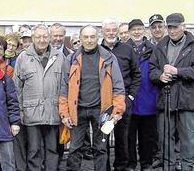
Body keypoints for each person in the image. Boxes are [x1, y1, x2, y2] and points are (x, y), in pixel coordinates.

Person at [59, 25, 126, 171]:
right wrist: (64, 113)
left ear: (98, 37)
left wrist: (117, 111)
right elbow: (64, 88)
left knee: (101, 149)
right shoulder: (71, 59)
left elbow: (118, 86)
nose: (89, 40)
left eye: (92, 37)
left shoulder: (109, 58)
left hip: (102, 111)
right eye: (86, 37)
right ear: (80, 39)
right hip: (77, 111)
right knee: (74, 149)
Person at [149, 13, 194, 170]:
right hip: (166, 99)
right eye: (169, 27)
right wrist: (160, 76)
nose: (172, 31)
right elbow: (152, 69)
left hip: (187, 100)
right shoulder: (161, 46)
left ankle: (187, 167)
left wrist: (177, 71)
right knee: (165, 139)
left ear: (184, 26)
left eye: (175, 27)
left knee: (188, 139)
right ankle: (169, 167)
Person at [13, 25, 65, 171]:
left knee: (52, 150)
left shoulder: (60, 57)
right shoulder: (23, 58)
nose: (42, 40)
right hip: (31, 113)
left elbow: (64, 86)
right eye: (38, 37)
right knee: (33, 150)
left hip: (53, 112)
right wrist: (20, 111)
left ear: (49, 38)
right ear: (33, 38)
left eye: (45, 37)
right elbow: (17, 88)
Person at [100, 19, 141, 171]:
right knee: (102, 139)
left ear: (117, 31)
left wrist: (130, 97)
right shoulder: (97, 50)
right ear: (102, 32)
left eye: (113, 30)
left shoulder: (127, 49)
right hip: (103, 103)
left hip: (123, 102)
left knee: (122, 139)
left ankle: (121, 167)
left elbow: (137, 74)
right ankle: (104, 167)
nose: (111, 33)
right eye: (107, 30)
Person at [125, 19, 157, 171]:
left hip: (149, 98)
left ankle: (146, 163)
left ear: (144, 31)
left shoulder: (154, 49)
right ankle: (130, 163)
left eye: (139, 29)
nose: (137, 32)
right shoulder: (124, 48)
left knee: (147, 137)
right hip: (130, 99)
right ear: (129, 32)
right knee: (129, 137)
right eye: (133, 29)